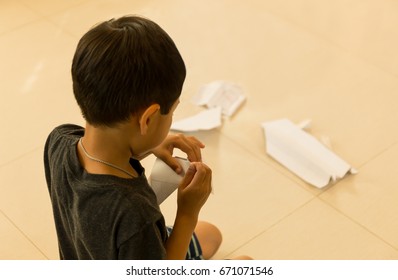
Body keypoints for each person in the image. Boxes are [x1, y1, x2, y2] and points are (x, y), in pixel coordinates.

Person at [44, 15, 227, 260]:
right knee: (246, 264)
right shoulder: (135, 215)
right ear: (148, 119)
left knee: (210, 234)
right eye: (172, 111)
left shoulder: (59, 139)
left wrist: (149, 145)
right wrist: (187, 214)